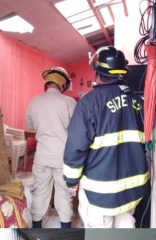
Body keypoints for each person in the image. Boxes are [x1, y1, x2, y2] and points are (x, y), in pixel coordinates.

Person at [63, 46, 148, 228]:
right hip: (131, 191)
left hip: (99, 193)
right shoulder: (139, 102)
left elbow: (76, 146)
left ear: (97, 71)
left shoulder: (89, 103)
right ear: (123, 72)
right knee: (125, 238)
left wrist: (71, 180)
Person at [26, 67, 77, 229]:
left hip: (42, 157)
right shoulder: (69, 103)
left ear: (47, 83)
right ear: (64, 85)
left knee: (39, 193)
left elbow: (30, 125)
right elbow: (76, 130)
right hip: (63, 159)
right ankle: (65, 227)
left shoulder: (35, 102)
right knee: (64, 194)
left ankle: (36, 225)